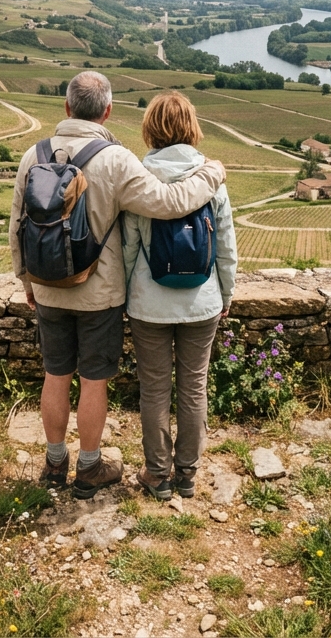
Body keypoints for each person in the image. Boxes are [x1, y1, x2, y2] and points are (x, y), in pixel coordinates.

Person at [9, 72, 226, 500]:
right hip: (100, 293)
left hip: (47, 287)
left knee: (55, 375)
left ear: (67, 108)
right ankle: (89, 469)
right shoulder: (116, 159)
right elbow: (170, 203)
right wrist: (211, 174)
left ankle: (55, 463)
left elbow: (15, 227)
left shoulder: (31, 157)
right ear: (107, 111)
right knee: (93, 381)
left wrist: (25, 281)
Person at [122, 92, 237, 501]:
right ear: (192, 127)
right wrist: (226, 294)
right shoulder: (212, 177)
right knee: (193, 386)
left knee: (153, 389)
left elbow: (129, 248)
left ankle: (158, 474)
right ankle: (187, 473)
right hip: (201, 302)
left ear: (150, 127)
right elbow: (225, 246)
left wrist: (125, 295)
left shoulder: (138, 176)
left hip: (148, 305)